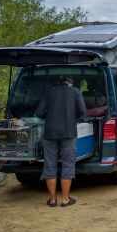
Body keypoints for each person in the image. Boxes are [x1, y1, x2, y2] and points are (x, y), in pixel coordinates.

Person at [35, 75, 87, 207]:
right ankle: (65, 199)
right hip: (69, 133)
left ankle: (52, 200)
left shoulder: (49, 92)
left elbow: (39, 113)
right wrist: (74, 118)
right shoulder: (75, 92)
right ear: (69, 82)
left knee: (50, 164)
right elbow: (83, 112)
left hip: (50, 133)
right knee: (68, 164)